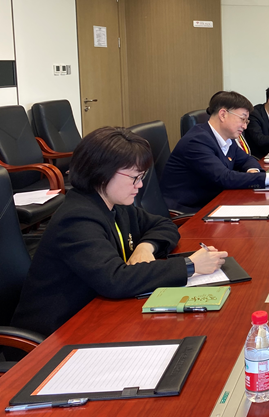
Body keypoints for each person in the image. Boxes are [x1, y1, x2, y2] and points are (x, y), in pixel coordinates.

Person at [11, 127, 228, 336]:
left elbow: (164, 224)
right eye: (134, 178)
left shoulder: (116, 205)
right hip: (56, 333)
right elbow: (114, 280)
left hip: (97, 314)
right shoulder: (77, 218)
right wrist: (190, 266)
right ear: (101, 174)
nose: (140, 185)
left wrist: (145, 247)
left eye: (141, 177)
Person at [161, 91, 269, 212]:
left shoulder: (226, 138)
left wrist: (253, 171)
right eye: (242, 119)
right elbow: (224, 178)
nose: (245, 126)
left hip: (216, 201)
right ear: (223, 114)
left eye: (247, 121)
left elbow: (246, 159)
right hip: (191, 210)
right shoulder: (197, 141)